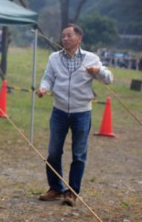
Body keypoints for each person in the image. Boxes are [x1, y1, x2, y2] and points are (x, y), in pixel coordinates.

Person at [37, 24, 113, 207]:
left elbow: (109, 79)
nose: (65, 39)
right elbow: (48, 77)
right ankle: (55, 188)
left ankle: (71, 192)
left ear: (79, 38)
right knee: (54, 152)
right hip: (59, 111)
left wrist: (98, 71)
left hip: (82, 112)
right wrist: (43, 88)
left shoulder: (91, 58)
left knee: (79, 154)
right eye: (63, 35)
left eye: (69, 35)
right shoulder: (54, 58)